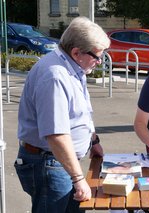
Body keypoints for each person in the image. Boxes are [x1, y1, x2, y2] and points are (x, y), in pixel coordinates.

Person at [14, 16, 110, 213]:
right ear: (76, 52)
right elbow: (56, 135)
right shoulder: (55, 76)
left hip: (57, 163)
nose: (100, 62)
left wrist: (93, 140)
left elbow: (79, 114)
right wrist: (78, 178)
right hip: (48, 164)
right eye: (97, 56)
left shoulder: (73, 68)